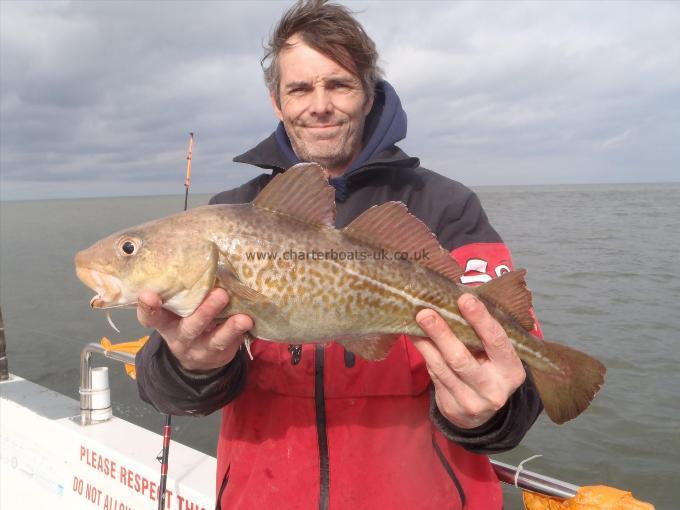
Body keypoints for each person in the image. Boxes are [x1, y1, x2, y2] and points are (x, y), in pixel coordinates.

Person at [135, 1, 543, 509]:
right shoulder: (229, 216)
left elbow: (523, 385)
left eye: (340, 84)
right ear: (276, 101)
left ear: (369, 93)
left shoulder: (445, 205)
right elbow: (166, 392)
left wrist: (486, 413)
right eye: (300, 88)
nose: (320, 104)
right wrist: (189, 366)